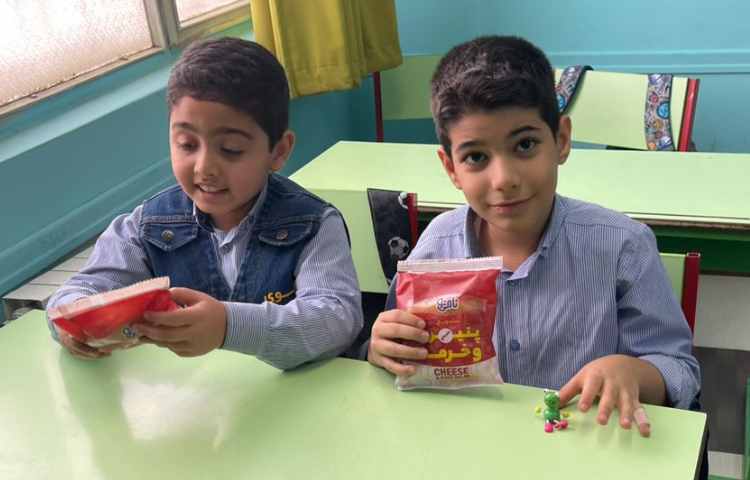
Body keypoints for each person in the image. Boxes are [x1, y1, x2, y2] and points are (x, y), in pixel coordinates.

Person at [366, 36, 700, 438]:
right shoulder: (436, 247)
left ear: (561, 140)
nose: (504, 179)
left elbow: (679, 369)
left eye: (525, 145)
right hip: (470, 446)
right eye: (476, 157)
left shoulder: (623, 247)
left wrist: (633, 372)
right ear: (451, 168)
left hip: (587, 450)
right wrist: (381, 349)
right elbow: (400, 353)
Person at [46, 37, 363, 369]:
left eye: (231, 149)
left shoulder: (314, 225)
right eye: (186, 144)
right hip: (186, 397)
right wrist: (72, 324)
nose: (204, 168)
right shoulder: (147, 226)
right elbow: (79, 291)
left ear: (279, 151)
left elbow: (336, 319)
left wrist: (229, 327)